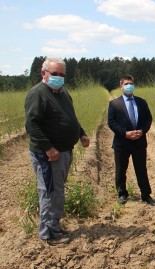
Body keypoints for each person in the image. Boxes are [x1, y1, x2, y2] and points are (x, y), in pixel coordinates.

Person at [25, 57, 90, 245]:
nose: (59, 78)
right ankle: (48, 233)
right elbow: (32, 125)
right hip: (48, 154)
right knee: (50, 191)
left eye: (62, 75)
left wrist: (81, 134)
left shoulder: (62, 93)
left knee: (57, 191)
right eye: (55, 74)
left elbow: (71, 117)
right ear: (44, 73)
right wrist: (48, 147)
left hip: (63, 151)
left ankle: (54, 225)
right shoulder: (38, 94)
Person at [107, 75, 155, 206]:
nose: (129, 86)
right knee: (121, 170)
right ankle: (122, 194)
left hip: (139, 142)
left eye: (131, 84)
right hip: (122, 143)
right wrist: (125, 133)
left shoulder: (141, 102)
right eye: (126, 84)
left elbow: (148, 119)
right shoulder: (114, 104)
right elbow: (111, 123)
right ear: (121, 86)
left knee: (141, 169)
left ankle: (146, 194)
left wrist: (142, 131)